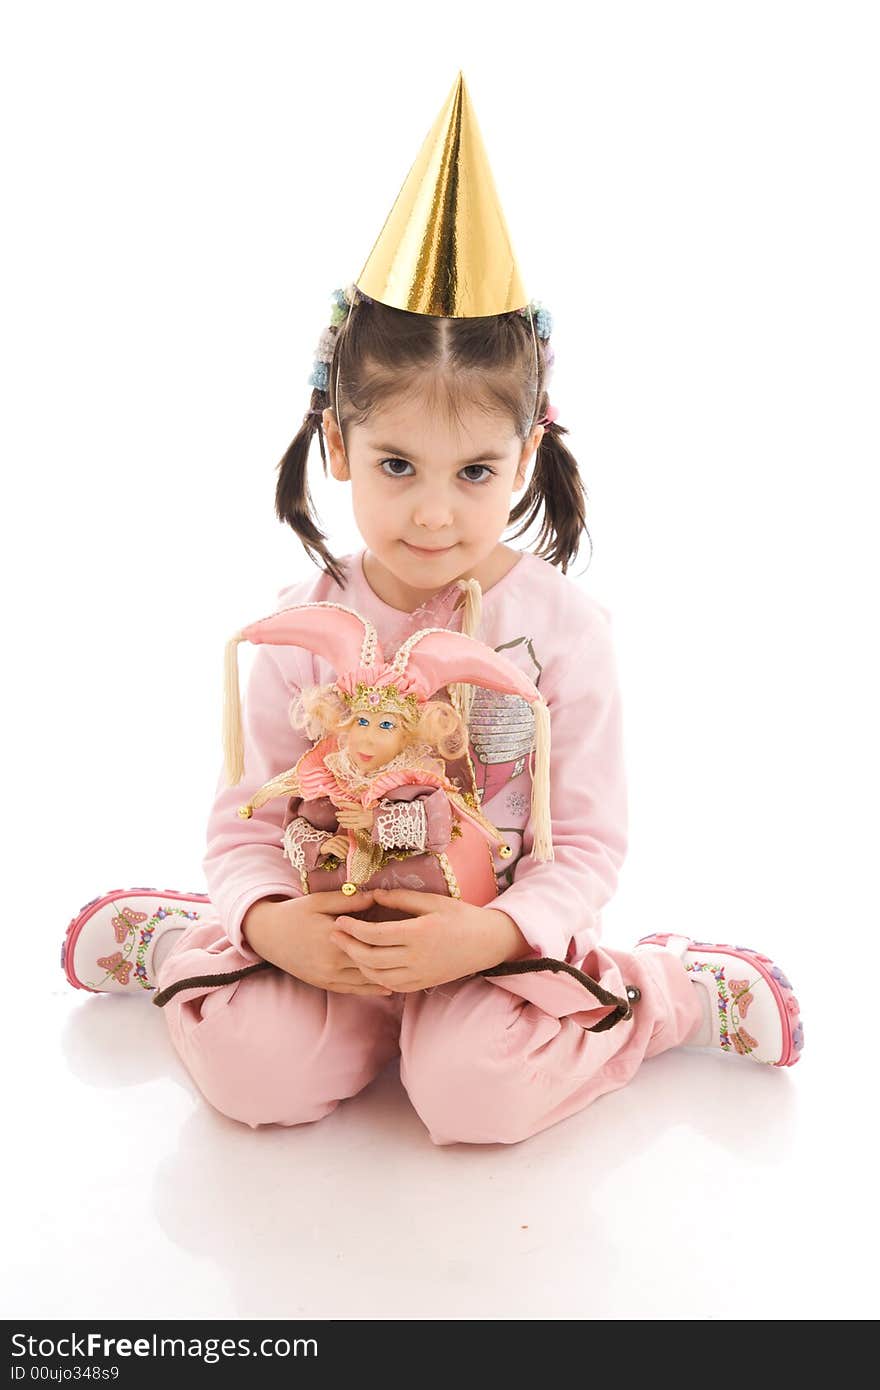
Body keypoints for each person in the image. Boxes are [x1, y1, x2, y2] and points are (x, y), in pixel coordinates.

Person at [61, 73, 803, 1144]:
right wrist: (274, 922)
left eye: (473, 471)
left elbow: (584, 843)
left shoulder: (562, 632)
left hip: (483, 940)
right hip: (327, 930)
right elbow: (243, 824)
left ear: (528, 454)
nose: (431, 513)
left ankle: (665, 991)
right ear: (337, 444)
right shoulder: (296, 630)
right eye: (397, 463)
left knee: (472, 1097)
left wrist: (493, 935)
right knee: (251, 1080)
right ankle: (187, 942)